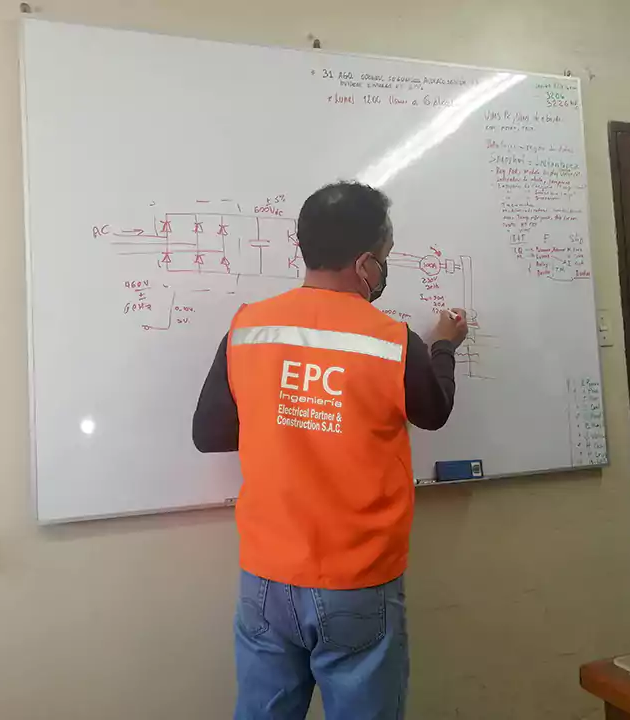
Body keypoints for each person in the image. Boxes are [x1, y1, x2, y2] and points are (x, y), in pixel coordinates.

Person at [192, 181, 469, 720]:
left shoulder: (248, 328)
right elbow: (434, 412)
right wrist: (443, 347)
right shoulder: (392, 340)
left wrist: (285, 417)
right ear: (366, 264)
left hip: (266, 575)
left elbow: (210, 433)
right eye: (386, 256)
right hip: (356, 579)